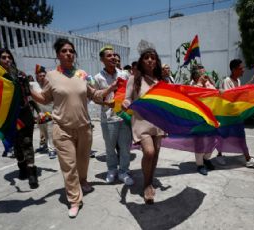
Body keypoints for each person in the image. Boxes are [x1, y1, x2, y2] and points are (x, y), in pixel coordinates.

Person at [30, 38, 117, 218]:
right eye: (64, 51)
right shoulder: (51, 76)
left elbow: (94, 94)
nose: (69, 54)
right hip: (62, 129)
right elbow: (45, 98)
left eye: (71, 51)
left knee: (83, 161)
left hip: (84, 127)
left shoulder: (82, 74)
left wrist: (110, 91)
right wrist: (29, 92)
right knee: (69, 166)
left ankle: (83, 181)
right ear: (58, 55)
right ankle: (74, 199)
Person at [122, 48, 166, 204]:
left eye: (153, 58)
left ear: (156, 61)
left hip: (158, 123)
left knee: (155, 154)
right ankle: (146, 184)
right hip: (141, 123)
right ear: (141, 61)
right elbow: (128, 98)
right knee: (149, 152)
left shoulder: (160, 80)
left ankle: (150, 180)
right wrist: (125, 104)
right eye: (146, 57)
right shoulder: (134, 79)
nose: (149, 60)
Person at [0, 48, 39, 189]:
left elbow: (29, 95)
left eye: (9, 57)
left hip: (24, 114)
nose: (7, 60)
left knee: (27, 142)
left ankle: (32, 172)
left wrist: (38, 111)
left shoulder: (21, 75)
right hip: (9, 116)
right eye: (3, 57)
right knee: (17, 144)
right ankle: (22, 166)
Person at [93, 46, 134, 185]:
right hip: (108, 118)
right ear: (102, 59)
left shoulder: (124, 75)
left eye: (114, 55)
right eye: (109, 56)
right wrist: (106, 102)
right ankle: (111, 170)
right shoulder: (98, 78)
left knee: (125, 147)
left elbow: (131, 93)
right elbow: (95, 98)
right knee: (110, 148)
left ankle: (124, 171)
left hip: (124, 116)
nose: (113, 58)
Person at [218, 59, 254, 167]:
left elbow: (237, 94)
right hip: (227, 116)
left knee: (241, 136)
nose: (243, 70)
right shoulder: (227, 81)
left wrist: (246, 88)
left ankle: (248, 158)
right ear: (234, 70)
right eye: (241, 68)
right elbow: (229, 98)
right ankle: (219, 155)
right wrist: (243, 90)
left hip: (236, 115)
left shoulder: (237, 81)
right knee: (222, 136)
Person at [33, 66, 57, 159]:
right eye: (40, 75)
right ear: (37, 77)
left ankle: (52, 150)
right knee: (43, 132)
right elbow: (31, 100)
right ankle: (47, 145)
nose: (42, 77)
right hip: (39, 114)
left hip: (50, 112)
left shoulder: (50, 85)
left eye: (44, 75)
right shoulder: (33, 86)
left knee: (50, 132)